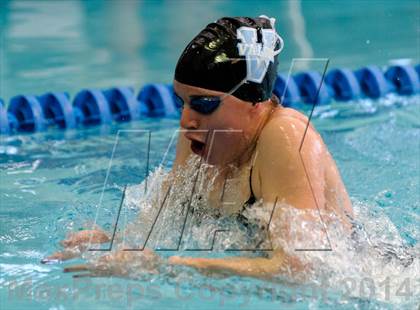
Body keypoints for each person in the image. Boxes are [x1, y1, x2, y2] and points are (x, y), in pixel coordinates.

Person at [43, 16, 353, 279]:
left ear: (254, 102)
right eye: (182, 102)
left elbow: (303, 268)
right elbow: (168, 224)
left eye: (204, 103)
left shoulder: (285, 136)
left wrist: (166, 267)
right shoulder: (201, 134)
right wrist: (114, 242)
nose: (187, 120)